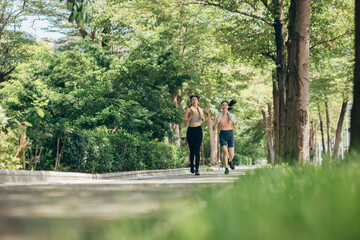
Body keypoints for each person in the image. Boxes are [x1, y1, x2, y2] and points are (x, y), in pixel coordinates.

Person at [213, 100, 237, 175]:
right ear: (221, 107)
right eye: (223, 105)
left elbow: (235, 127)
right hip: (222, 134)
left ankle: (230, 162)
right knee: (225, 152)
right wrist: (216, 122)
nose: (224, 106)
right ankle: (226, 168)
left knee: (231, 154)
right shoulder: (218, 117)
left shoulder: (232, 116)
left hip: (230, 134)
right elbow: (214, 128)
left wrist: (233, 121)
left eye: (226, 105)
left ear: (228, 107)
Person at [183, 95, 205, 175]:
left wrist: (203, 118)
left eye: (196, 99)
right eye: (193, 100)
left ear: (198, 101)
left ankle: (197, 169)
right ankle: (192, 165)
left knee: (197, 150)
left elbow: (203, 119)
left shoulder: (200, 109)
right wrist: (192, 115)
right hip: (190, 130)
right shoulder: (188, 110)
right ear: (191, 101)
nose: (194, 101)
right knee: (192, 150)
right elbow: (185, 122)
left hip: (198, 130)